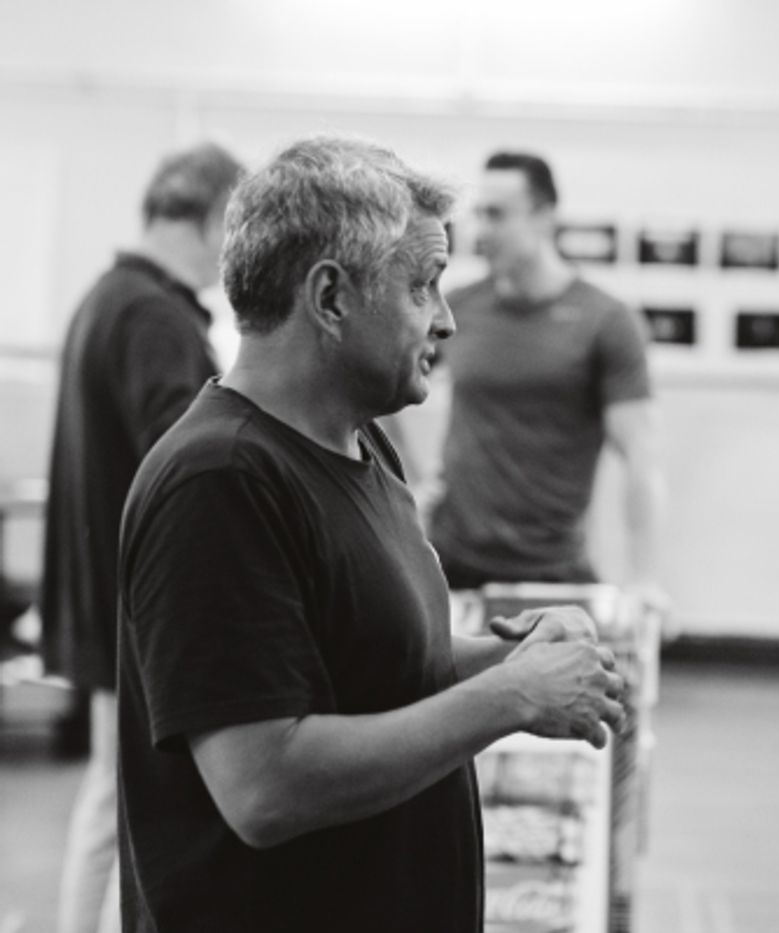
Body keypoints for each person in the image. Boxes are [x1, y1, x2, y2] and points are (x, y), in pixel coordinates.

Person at [116, 136, 626, 932]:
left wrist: (513, 657)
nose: (447, 320)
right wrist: (510, 696)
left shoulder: (362, 442)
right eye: (424, 285)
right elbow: (265, 784)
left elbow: (367, 660)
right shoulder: (218, 481)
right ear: (330, 298)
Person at [38, 141, 244, 933]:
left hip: (100, 585)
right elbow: (191, 465)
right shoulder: (155, 316)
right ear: (216, 215)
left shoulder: (106, 296)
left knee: (107, 788)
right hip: (134, 600)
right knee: (118, 796)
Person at [424, 151, 664, 599]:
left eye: (496, 215)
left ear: (544, 216)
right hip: (450, 559)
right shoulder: (458, 306)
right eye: (479, 214)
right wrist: (413, 483)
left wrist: (644, 577)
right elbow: (376, 384)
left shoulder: (605, 320)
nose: (481, 231)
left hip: (553, 569)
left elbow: (640, 455)